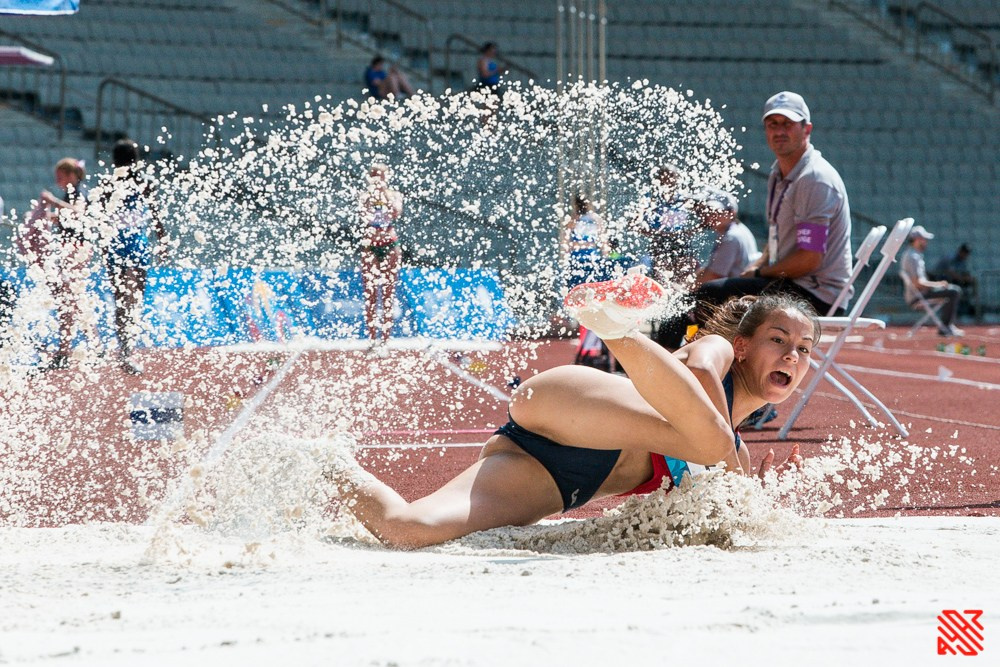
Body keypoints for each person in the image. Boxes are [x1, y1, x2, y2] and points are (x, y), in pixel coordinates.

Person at [328, 274, 814, 549]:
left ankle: (321, 465)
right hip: (575, 401)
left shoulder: (735, 456)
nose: (792, 355)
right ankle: (615, 328)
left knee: (407, 530)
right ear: (745, 346)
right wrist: (726, 459)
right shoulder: (717, 354)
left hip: (552, 470)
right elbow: (703, 371)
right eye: (779, 340)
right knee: (709, 441)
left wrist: (748, 494)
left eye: (804, 349)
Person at [656, 91, 853, 350]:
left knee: (704, 297)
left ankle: (673, 373)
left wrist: (758, 272)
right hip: (795, 285)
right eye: (773, 124)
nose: (779, 131)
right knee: (710, 298)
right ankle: (699, 372)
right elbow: (775, 241)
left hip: (817, 295)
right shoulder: (780, 174)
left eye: (787, 124)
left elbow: (809, 259)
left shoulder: (813, 179)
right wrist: (754, 269)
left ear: (807, 129)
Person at [95, 138, 168, 375]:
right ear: (135, 160)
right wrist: (163, 242)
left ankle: (124, 350)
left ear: (114, 160)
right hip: (136, 243)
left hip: (115, 243)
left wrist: (103, 245)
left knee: (121, 299)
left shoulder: (107, 184)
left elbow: (101, 219)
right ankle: (127, 350)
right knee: (133, 300)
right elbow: (156, 216)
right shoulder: (145, 183)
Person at [28, 158, 96, 369]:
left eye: (60, 176)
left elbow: (77, 213)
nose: (57, 180)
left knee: (67, 300)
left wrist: (52, 201)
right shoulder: (74, 191)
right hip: (74, 249)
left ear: (71, 175)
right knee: (73, 299)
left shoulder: (79, 191)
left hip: (77, 250)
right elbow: (71, 218)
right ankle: (91, 344)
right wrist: (49, 217)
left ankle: (66, 349)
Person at [359, 163, 403, 350]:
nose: (378, 178)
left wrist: (384, 194)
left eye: (381, 175)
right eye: (375, 175)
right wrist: (373, 197)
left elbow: (395, 213)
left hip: (389, 244)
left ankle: (385, 340)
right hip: (371, 245)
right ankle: (371, 339)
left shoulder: (394, 195)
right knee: (370, 295)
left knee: (387, 294)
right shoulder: (364, 196)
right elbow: (364, 217)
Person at [899, 225, 964, 337]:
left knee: (951, 290)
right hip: (918, 296)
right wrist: (938, 284)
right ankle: (946, 326)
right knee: (954, 291)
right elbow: (918, 283)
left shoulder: (912, 255)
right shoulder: (912, 257)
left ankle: (946, 325)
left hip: (918, 294)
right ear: (917, 240)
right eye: (924, 239)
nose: (926, 242)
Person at [693, 190, 759, 287]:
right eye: (709, 211)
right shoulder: (739, 229)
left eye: (718, 211)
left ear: (732, 213)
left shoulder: (731, 237)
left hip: (735, 292)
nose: (711, 215)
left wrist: (685, 288)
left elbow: (714, 275)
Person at [566, 194, 606, 289]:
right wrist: (604, 255)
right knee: (592, 286)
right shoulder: (595, 219)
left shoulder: (573, 220)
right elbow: (602, 240)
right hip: (591, 256)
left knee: (576, 287)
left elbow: (567, 241)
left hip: (577, 257)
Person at [930, 243, 977, 318]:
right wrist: (963, 279)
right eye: (965, 253)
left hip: (952, 280)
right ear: (960, 251)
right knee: (956, 290)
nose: (966, 255)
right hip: (939, 280)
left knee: (972, 283)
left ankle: (972, 306)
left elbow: (965, 273)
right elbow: (951, 273)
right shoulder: (951, 258)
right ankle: (949, 315)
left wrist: (969, 278)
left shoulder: (962, 260)